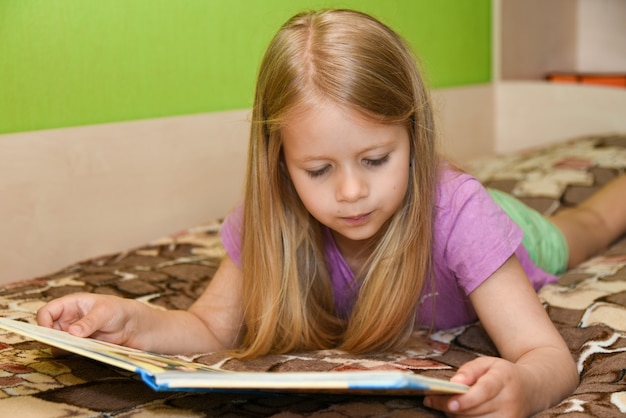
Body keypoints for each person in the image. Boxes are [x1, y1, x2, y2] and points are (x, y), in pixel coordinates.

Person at [36, 8, 626, 417]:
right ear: (281, 163)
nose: (349, 193)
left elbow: (547, 357)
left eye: (375, 158)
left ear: (414, 135)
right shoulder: (271, 214)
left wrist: (523, 385)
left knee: (593, 225)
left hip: (501, 225)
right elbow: (210, 329)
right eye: (318, 170)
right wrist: (126, 319)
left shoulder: (462, 213)